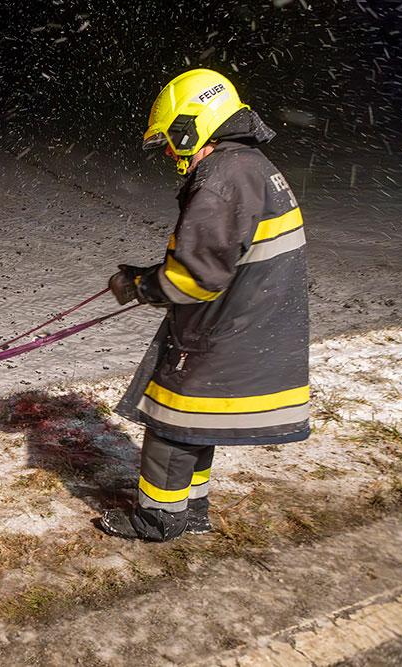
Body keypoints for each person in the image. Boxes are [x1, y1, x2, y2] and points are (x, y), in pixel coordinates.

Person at [100, 69, 310, 542]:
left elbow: (195, 277)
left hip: (227, 329)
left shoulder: (222, 178)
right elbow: (218, 255)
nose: (170, 154)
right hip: (249, 322)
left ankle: (159, 519)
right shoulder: (249, 165)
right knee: (195, 423)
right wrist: (151, 274)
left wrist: (140, 285)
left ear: (190, 127)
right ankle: (192, 510)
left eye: (170, 141)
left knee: (171, 424)